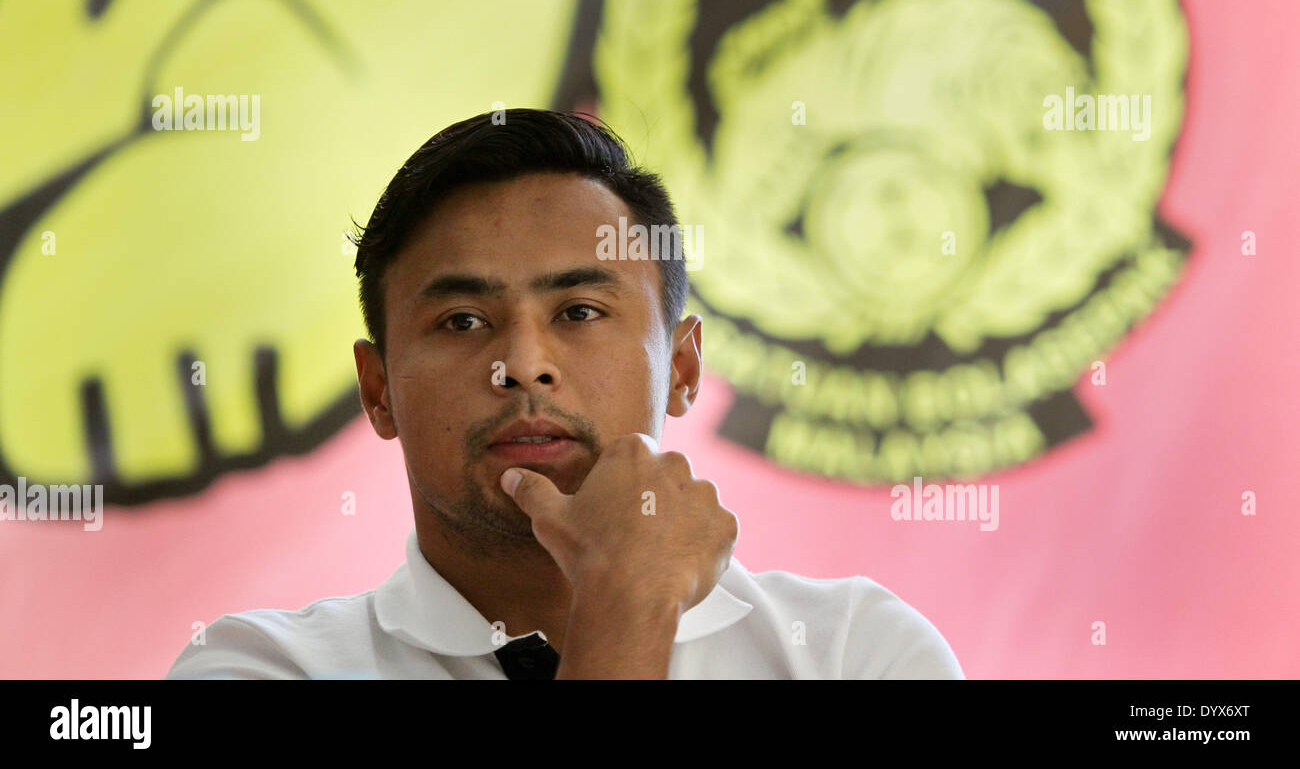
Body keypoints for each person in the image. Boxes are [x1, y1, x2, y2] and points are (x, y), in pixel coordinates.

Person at [166, 108, 963, 679]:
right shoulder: (258, 669)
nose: (522, 364)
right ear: (378, 391)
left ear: (682, 368)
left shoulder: (857, 653)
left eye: (580, 312)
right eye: (463, 320)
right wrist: (627, 616)